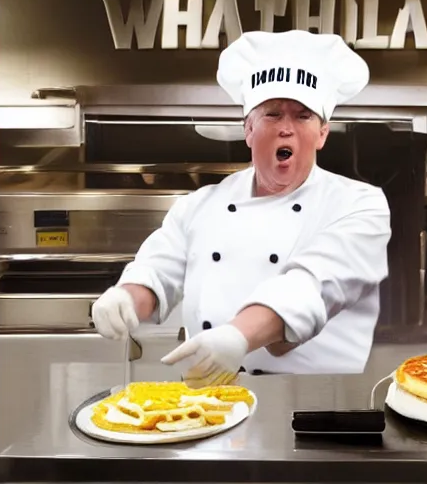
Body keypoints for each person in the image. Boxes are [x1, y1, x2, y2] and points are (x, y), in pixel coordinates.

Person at [90, 30, 391, 384]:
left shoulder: (360, 204)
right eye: (273, 114)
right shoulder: (199, 205)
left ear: (323, 133)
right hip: (210, 398)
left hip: (319, 404)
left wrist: (237, 336)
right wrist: (125, 298)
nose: (286, 130)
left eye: (303, 116)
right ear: (248, 129)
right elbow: (157, 271)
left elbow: (312, 285)